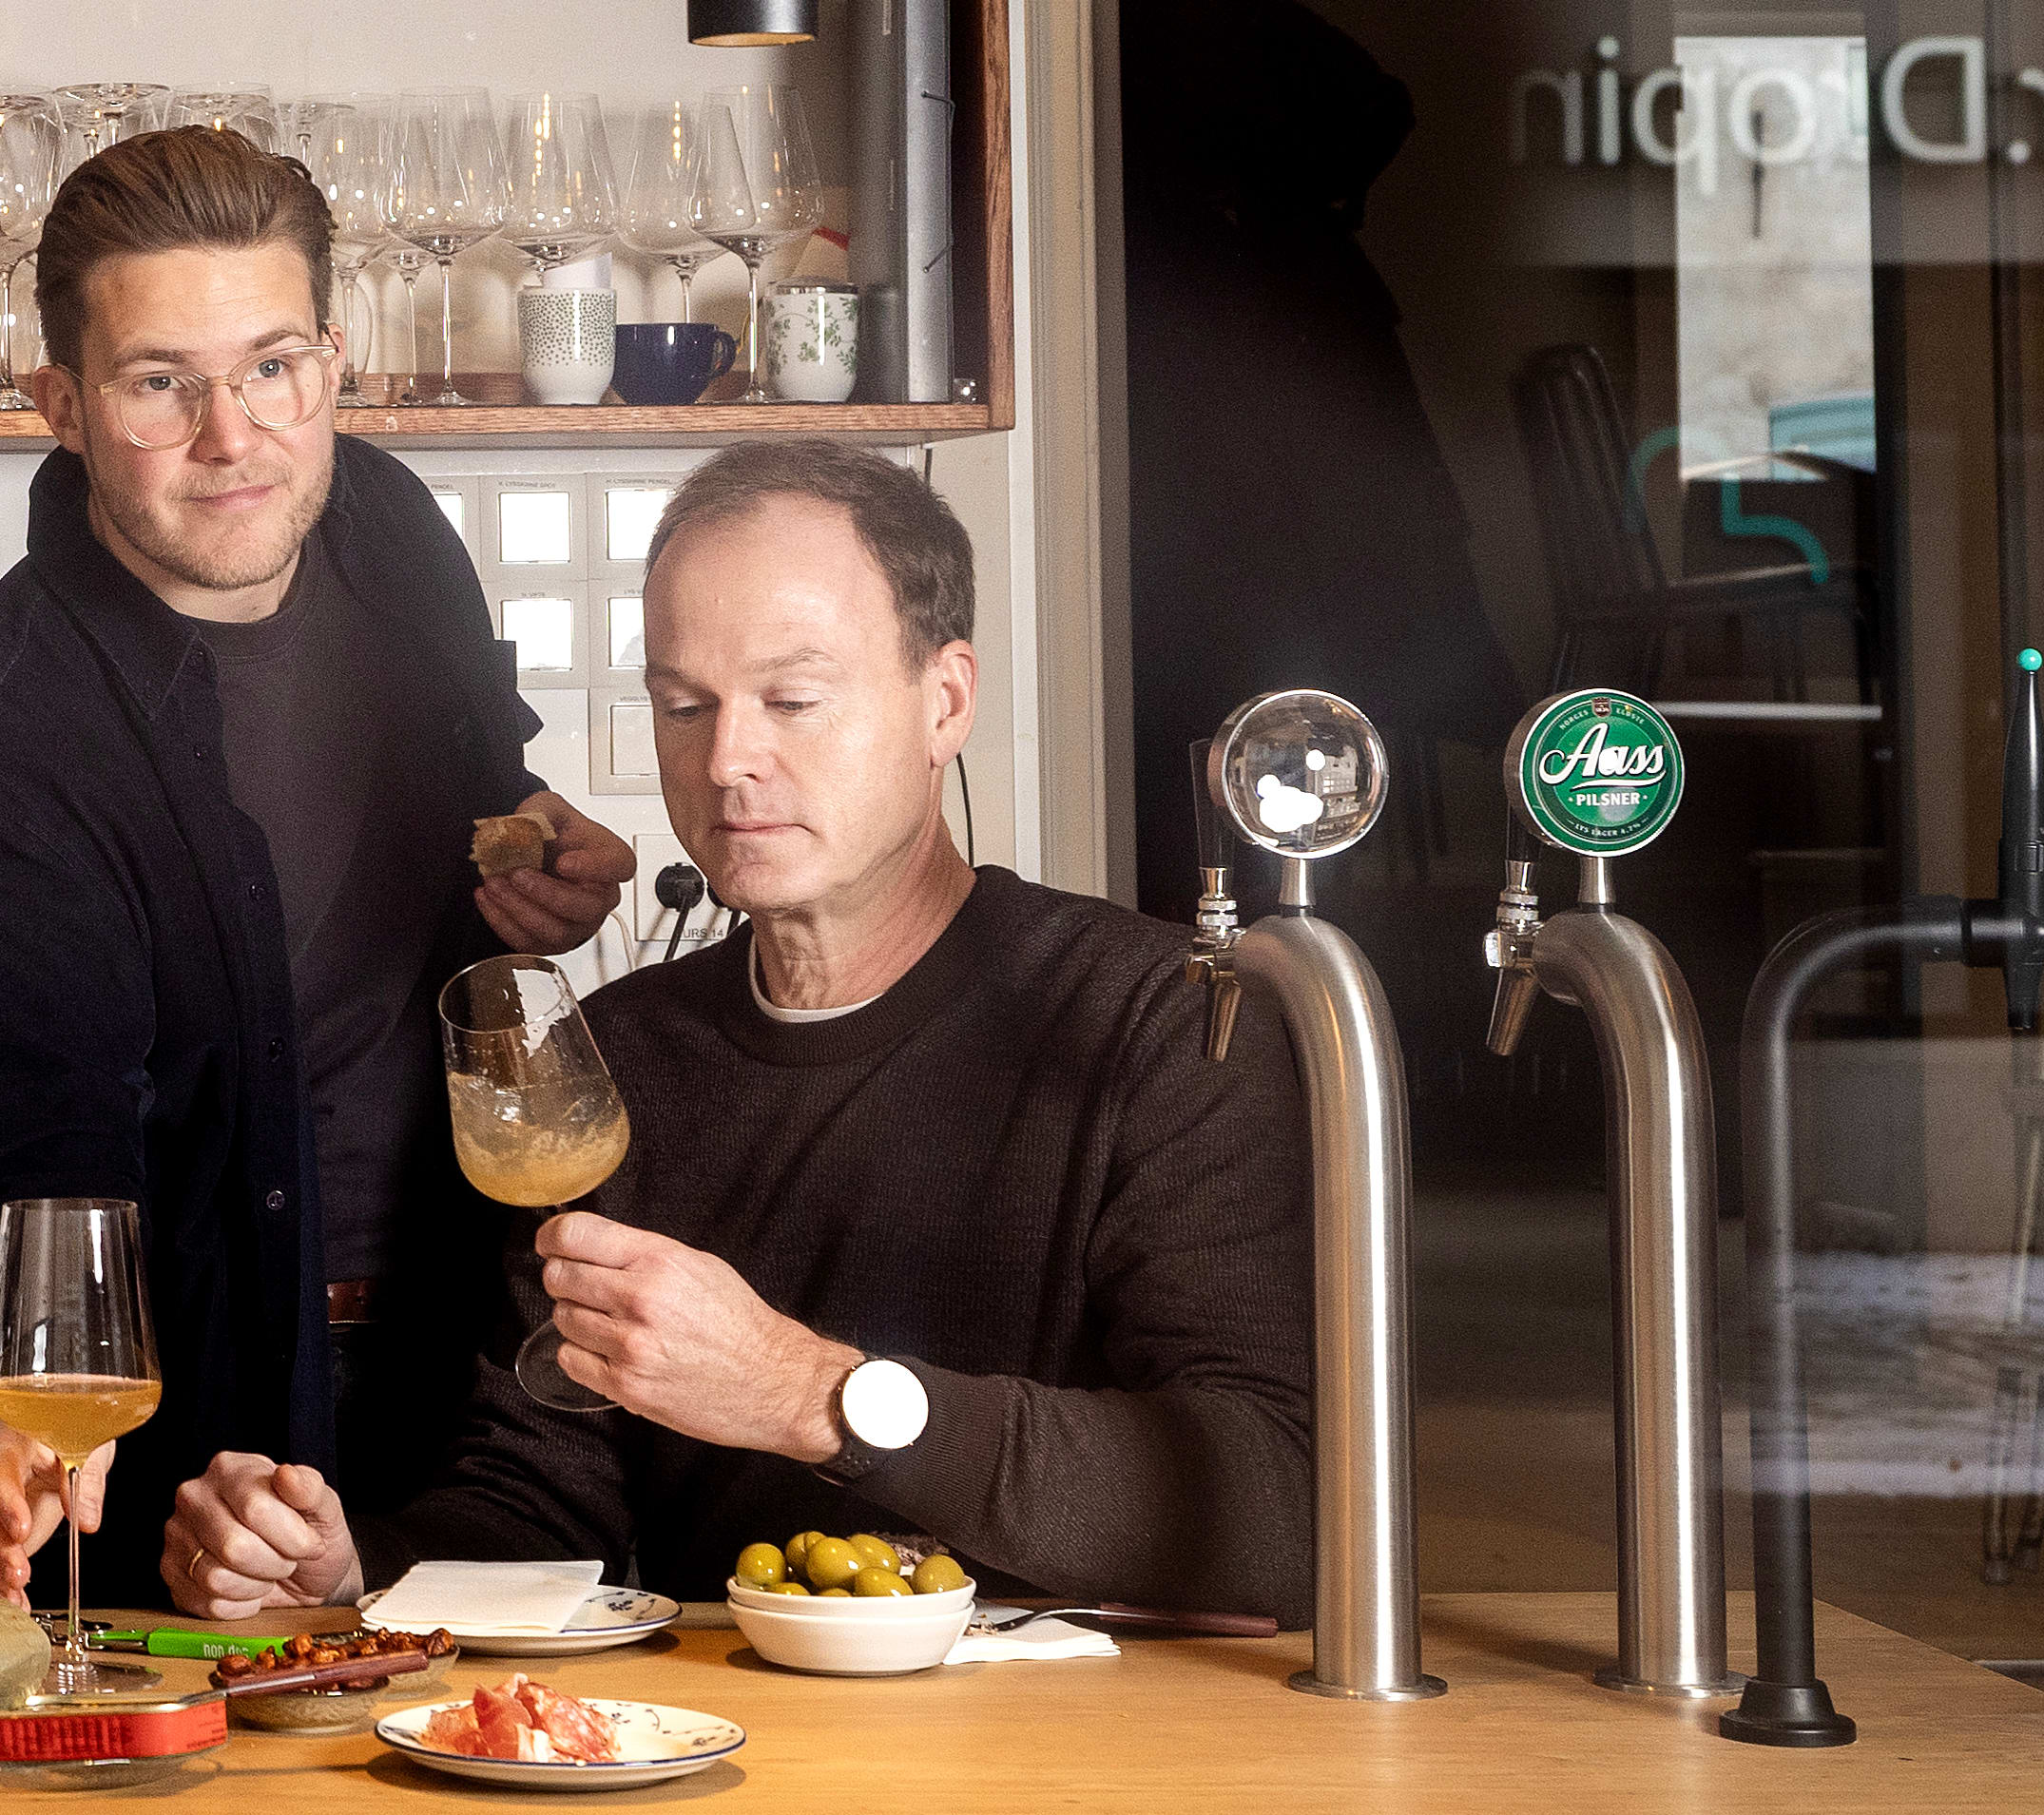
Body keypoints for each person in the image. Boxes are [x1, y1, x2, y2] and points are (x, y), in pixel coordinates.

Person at [152, 440, 1317, 1629]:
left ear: (946, 700)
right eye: (682, 704)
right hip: (710, 1764)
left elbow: (1279, 1506)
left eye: (794, 700)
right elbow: (547, 1508)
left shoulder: (1164, 1016)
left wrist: (812, 1395)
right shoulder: (612, 1064)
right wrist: (355, 1572)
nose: (726, 760)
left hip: (1081, 1774)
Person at [0, 123, 627, 1601]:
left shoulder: (390, 530)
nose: (234, 438)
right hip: (187, 1424)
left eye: (272, 368)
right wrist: (40, 1432)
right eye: (162, 384)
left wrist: (549, 847)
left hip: (466, 1372)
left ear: (333, 366)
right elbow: (37, 1164)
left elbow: (471, 807)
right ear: (64, 405)